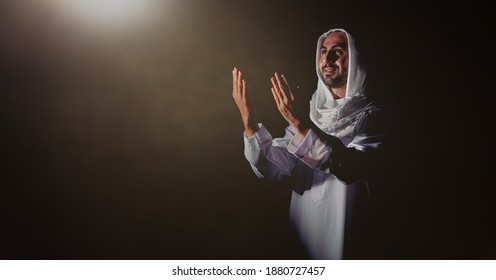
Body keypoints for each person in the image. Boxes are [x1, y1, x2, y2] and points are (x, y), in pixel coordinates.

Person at [232, 27, 385, 260]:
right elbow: (271, 168)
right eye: (323, 51)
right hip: (302, 239)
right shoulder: (313, 113)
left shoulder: (372, 116)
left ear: (355, 58)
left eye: (338, 51)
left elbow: (351, 167)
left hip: (350, 241)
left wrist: (296, 121)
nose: (327, 58)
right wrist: (249, 121)